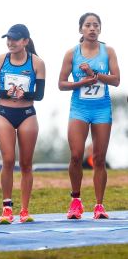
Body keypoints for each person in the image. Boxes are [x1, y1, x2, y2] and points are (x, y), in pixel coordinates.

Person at [58, 12, 120, 219]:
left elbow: (116, 80)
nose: (92, 28)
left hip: (102, 109)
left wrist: (94, 74)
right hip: (79, 109)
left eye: (96, 25)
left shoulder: (108, 51)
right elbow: (61, 84)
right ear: (81, 29)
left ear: (100, 29)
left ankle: (99, 205)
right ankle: (76, 201)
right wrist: (81, 82)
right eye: (88, 25)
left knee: (99, 158)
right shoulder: (72, 54)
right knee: (76, 156)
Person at [0, 24, 45, 224]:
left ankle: (25, 210)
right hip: (4, 113)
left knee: (26, 164)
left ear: (25, 41)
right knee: (8, 160)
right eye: (8, 39)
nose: (10, 42)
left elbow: (39, 95)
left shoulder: (37, 63)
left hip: (27, 113)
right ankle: (6, 208)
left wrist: (25, 94)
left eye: (15, 39)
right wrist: (8, 92)